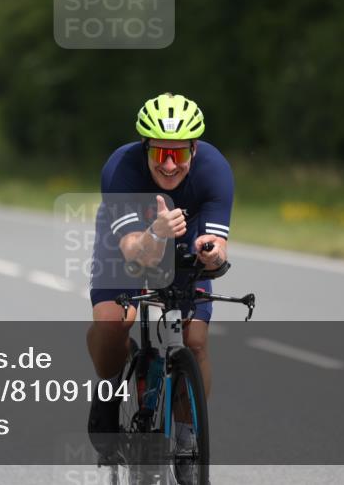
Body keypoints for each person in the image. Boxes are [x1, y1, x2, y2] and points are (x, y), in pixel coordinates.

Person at [86, 93, 232, 461]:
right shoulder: (121, 169)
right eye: (159, 153)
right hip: (128, 242)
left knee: (194, 339)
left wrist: (209, 254)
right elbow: (135, 252)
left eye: (178, 154)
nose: (169, 165)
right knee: (112, 322)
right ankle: (109, 390)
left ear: (194, 150)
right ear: (145, 147)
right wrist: (157, 232)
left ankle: (186, 436)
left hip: (184, 238)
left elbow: (219, 251)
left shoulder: (215, 170)